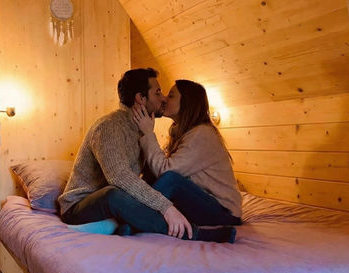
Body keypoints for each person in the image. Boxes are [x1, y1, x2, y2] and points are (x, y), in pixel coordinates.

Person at [59, 68, 236, 243]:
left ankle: (128, 225)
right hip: (79, 206)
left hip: (215, 207)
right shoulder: (109, 126)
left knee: (145, 189)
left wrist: (148, 134)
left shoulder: (141, 132)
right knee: (113, 193)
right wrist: (166, 207)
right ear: (141, 98)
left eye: (167, 95)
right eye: (158, 92)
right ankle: (195, 234)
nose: (163, 98)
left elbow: (156, 178)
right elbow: (119, 177)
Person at [132, 79, 242, 230]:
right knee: (152, 181)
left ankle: (128, 220)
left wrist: (148, 133)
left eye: (171, 96)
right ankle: (128, 218)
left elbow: (166, 172)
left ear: (187, 102)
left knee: (172, 180)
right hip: (204, 202)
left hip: (224, 212)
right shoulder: (183, 133)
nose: (164, 99)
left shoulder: (202, 134)